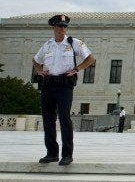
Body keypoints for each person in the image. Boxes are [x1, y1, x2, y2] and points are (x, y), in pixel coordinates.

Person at [33, 14, 95, 166]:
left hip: (64, 85)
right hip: (48, 84)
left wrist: (77, 69)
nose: (62, 29)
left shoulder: (74, 43)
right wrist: (39, 71)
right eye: (59, 26)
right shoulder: (47, 45)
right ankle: (51, 153)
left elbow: (90, 58)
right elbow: (35, 60)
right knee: (48, 120)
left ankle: (67, 155)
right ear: (53, 27)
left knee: (64, 118)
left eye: (64, 26)